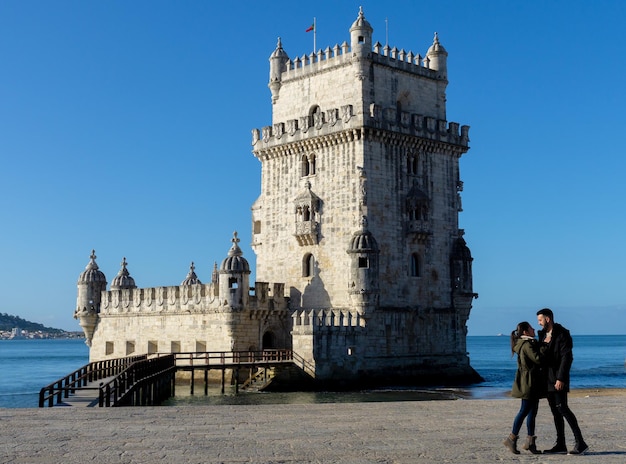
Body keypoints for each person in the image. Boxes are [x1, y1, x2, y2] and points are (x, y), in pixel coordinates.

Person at [536, 308, 589, 455]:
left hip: (558, 379)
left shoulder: (562, 333)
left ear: (548, 319)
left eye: (540, 320)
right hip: (546, 379)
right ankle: (560, 444)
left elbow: (567, 358)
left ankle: (581, 442)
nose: (539, 324)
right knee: (555, 412)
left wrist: (561, 378)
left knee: (563, 408)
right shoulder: (541, 335)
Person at [503, 321, 545, 454]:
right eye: (531, 328)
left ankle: (530, 442)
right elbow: (538, 359)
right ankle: (512, 438)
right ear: (526, 332)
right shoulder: (527, 344)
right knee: (525, 410)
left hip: (531, 381)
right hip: (529, 382)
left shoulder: (525, 343)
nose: (534, 329)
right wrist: (544, 346)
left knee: (532, 412)